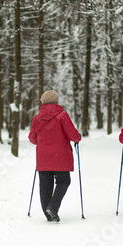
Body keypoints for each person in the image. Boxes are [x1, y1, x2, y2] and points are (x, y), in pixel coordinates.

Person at [29, 90, 81, 222]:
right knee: (63, 182)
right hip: (60, 157)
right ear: (56, 101)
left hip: (43, 158)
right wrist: (77, 138)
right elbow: (73, 135)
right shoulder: (62, 116)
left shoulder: (37, 118)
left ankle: (48, 213)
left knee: (45, 185)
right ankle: (52, 208)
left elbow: (33, 139)